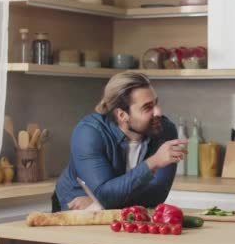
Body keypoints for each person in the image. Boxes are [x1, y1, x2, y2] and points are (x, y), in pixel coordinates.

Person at [53, 72, 188, 212]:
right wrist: (152, 163)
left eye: (156, 103)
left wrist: (102, 204)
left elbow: (157, 195)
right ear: (122, 115)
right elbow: (104, 193)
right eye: (147, 107)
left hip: (105, 208)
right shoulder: (89, 133)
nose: (158, 112)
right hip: (74, 209)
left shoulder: (164, 130)